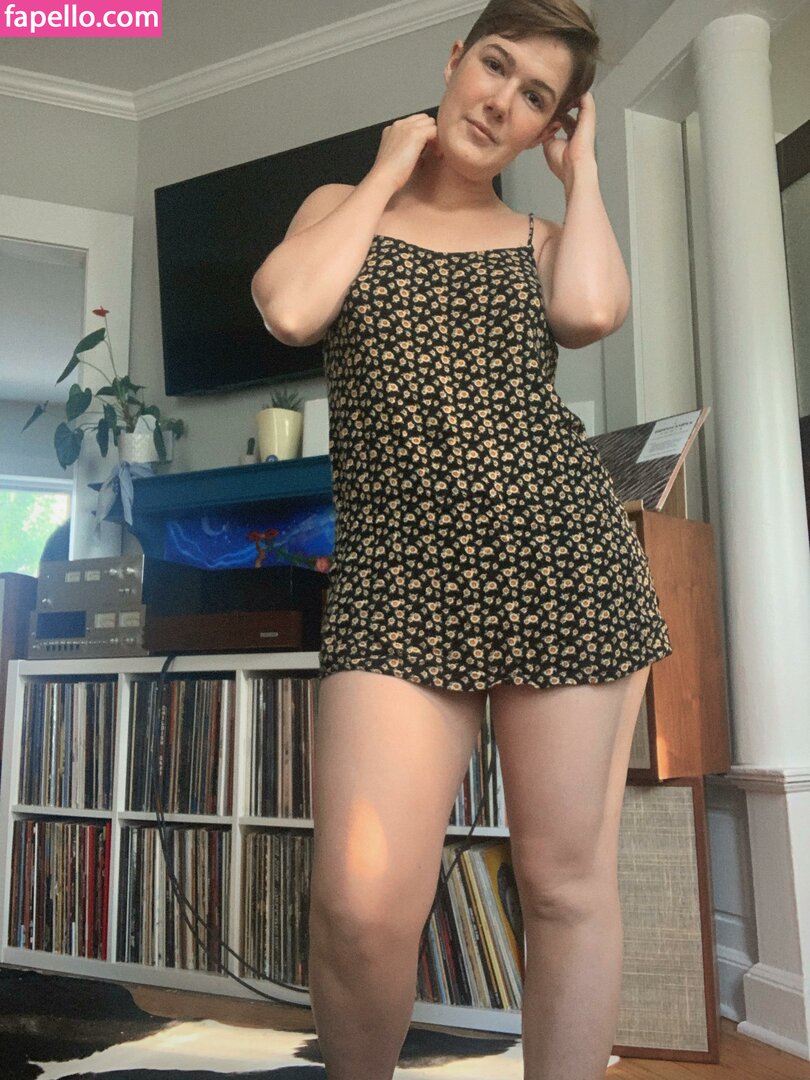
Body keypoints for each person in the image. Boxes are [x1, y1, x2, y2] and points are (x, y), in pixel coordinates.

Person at [251, 1, 673, 1077]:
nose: (500, 102)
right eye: (495, 65)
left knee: (565, 887)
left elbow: (592, 313)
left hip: (564, 563)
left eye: (537, 97)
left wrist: (583, 175)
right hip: (395, 579)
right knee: (358, 906)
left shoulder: (541, 242)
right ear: (454, 58)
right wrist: (390, 169)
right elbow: (290, 309)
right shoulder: (343, 207)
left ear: (549, 125)